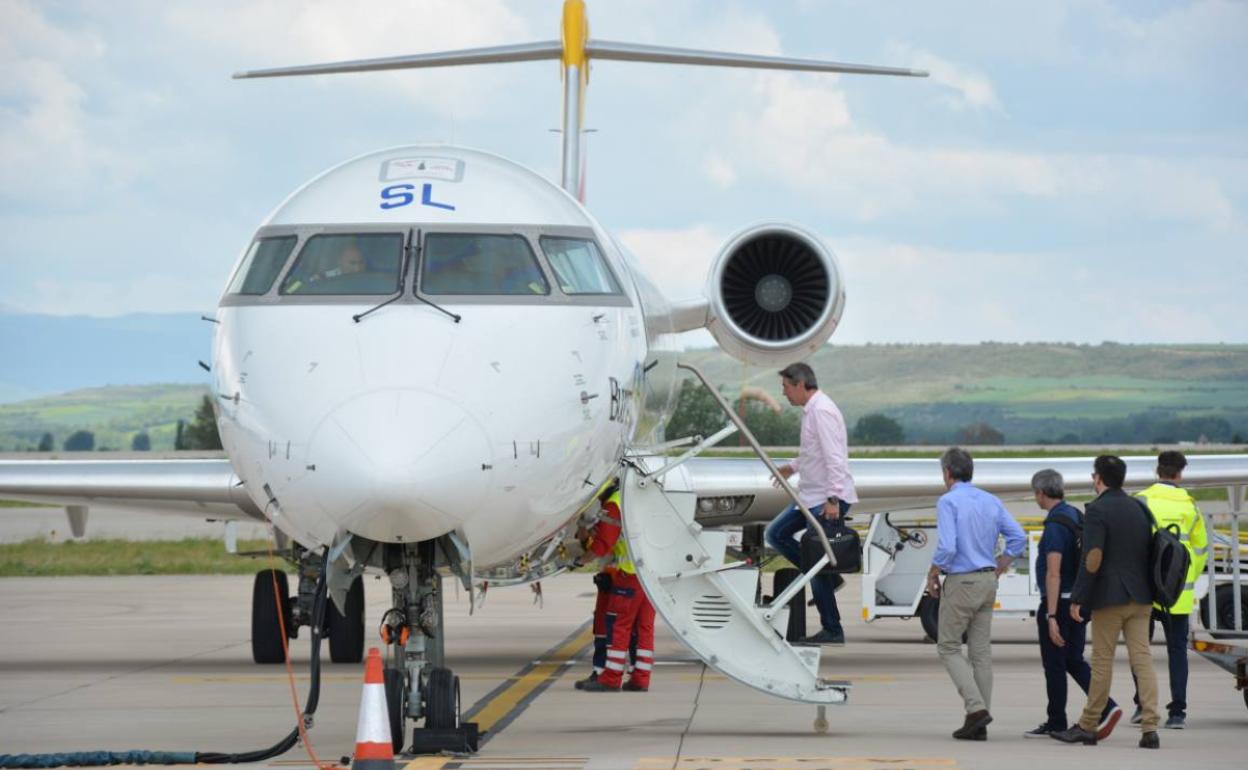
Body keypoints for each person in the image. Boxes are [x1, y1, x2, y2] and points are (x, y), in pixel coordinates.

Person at [1051, 455, 1161, 749]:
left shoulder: (1098, 510)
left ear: (1098, 478)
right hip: (1142, 597)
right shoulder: (1140, 507)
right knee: (1142, 660)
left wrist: (1078, 597)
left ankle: (1088, 724)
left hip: (1110, 599)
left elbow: (1093, 558)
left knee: (1101, 661)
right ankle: (1150, 727)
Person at [924, 447, 1026, 741]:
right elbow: (1017, 535)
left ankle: (976, 708)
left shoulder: (948, 501)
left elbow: (947, 546)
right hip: (987, 580)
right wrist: (1003, 562)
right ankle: (978, 722)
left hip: (962, 581)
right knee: (980, 653)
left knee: (948, 647)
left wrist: (933, 571)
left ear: (947, 473)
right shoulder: (990, 500)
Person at [763, 362, 858, 645]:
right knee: (776, 534)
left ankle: (833, 629)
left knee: (815, 560)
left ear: (801, 385)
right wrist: (792, 467)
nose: (784, 394)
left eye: (786, 387)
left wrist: (833, 499)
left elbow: (835, 458)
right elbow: (813, 452)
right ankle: (829, 579)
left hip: (825, 499)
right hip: (810, 497)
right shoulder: (812, 411)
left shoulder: (822, 411)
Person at [1025, 468, 1122, 739]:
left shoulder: (1056, 525)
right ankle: (1106, 706)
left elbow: (1053, 572)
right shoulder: (1076, 515)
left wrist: (1051, 616)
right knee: (1073, 660)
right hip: (1079, 602)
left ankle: (1056, 720)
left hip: (1060, 603)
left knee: (1055, 664)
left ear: (1040, 493)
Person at [1128, 450, 1207, 729]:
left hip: (1145, 592)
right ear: (1180, 474)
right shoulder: (1191, 506)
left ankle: (1142, 705)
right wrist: (1184, 578)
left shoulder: (1141, 501)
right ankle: (1177, 713)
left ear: (1157, 471)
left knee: (1140, 650)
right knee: (1177, 652)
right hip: (1179, 595)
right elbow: (1201, 549)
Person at [578, 481, 655, 692]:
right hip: (652, 574)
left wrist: (580, 560)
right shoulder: (640, 497)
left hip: (630, 574)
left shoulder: (614, 504)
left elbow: (603, 545)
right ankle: (641, 678)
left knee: (619, 626)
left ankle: (611, 678)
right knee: (644, 627)